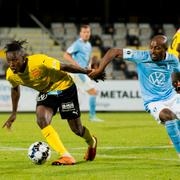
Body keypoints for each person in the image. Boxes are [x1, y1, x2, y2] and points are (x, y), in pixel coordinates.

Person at [2, 40, 98, 166]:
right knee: (41, 119)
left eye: (15, 60)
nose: (12, 64)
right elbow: (15, 89)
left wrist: (88, 72)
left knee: (77, 129)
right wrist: (13, 113)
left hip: (65, 87)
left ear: (23, 58)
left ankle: (92, 142)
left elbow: (63, 66)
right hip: (46, 92)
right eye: (9, 61)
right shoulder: (11, 75)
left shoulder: (39, 61)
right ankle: (65, 156)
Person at [89, 35, 180, 158]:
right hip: (154, 101)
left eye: (157, 48)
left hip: (172, 97)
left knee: (176, 119)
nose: (152, 51)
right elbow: (113, 51)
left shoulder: (173, 59)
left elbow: (177, 74)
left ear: (165, 49)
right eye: (151, 47)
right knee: (169, 116)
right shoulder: (141, 56)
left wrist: (176, 84)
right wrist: (100, 70)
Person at [63, 24, 104, 122]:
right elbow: (66, 55)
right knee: (93, 92)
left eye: (88, 32)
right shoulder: (78, 44)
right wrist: (76, 65)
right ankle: (92, 116)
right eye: (84, 32)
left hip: (82, 73)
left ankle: (70, 115)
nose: (86, 34)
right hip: (78, 73)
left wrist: (89, 68)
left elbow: (87, 59)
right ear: (80, 33)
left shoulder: (88, 45)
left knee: (78, 95)